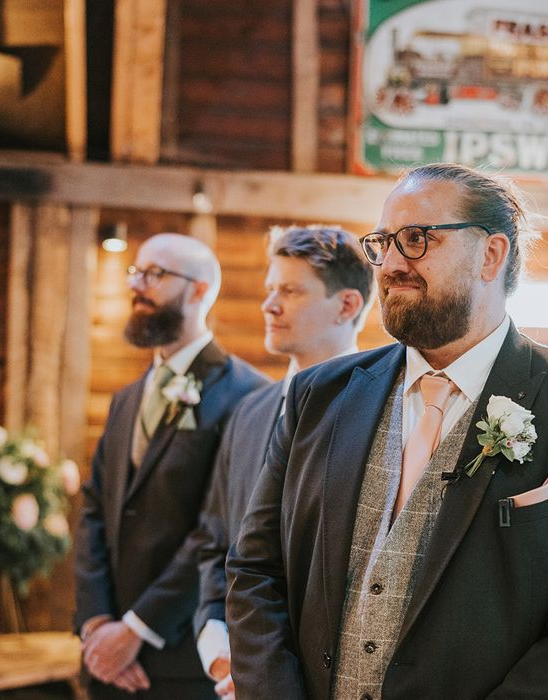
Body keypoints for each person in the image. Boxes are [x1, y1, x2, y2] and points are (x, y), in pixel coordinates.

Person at [225, 163, 548, 699]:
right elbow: (255, 569)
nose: (389, 264)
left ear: (491, 255)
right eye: (383, 243)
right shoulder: (318, 396)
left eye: (416, 240)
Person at [74, 233, 268, 699]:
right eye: (135, 273)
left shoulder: (247, 394)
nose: (137, 286)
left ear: (200, 290)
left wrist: (137, 629)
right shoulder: (125, 399)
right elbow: (95, 506)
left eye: (155, 274)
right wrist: (97, 622)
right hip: (106, 657)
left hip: (181, 659)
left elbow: (218, 528)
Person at [194, 225, 374, 697]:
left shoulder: (381, 417)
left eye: (290, 291)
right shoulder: (249, 412)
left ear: (347, 306)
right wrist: (219, 647)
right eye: (270, 290)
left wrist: (268, 671)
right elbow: (216, 540)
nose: (269, 305)